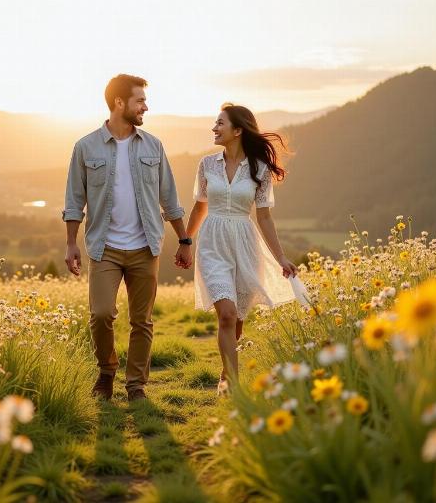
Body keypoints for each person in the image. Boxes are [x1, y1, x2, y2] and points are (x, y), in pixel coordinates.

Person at [62, 74, 192, 403]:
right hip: (104, 247)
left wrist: (184, 240)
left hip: (145, 246)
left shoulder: (153, 145)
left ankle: (136, 385)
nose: (145, 106)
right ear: (119, 103)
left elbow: (170, 198)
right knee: (102, 314)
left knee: (142, 321)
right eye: (140, 101)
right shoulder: (85, 146)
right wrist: (71, 242)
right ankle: (106, 371)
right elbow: (74, 200)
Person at [185, 103, 298, 394]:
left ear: (237, 130)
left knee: (237, 319)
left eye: (220, 123)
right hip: (212, 242)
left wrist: (281, 256)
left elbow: (264, 217)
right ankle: (233, 387)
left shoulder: (259, 169)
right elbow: (200, 207)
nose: (214, 128)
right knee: (226, 314)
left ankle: (225, 371)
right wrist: (186, 241)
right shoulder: (207, 165)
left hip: (245, 243)